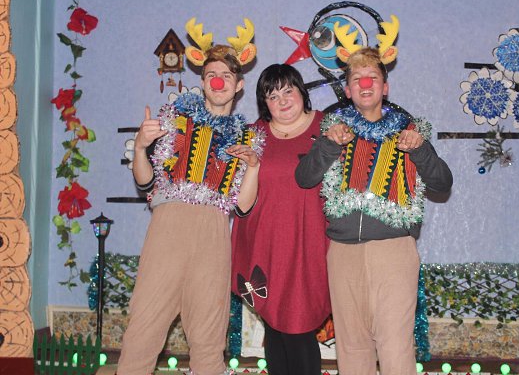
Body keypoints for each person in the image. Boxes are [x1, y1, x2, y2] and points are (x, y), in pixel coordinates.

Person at [295, 45, 453, 375]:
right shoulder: (335, 132)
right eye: (357, 79)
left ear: (385, 87)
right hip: (343, 253)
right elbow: (304, 177)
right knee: (352, 347)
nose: (365, 84)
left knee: (395, 346)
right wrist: (328, 145)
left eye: (372, 77)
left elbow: (442, 183)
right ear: (348, 90)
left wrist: (420, 150)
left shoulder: (409, 133)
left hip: (394, 252)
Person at [116, 44, 262, 375]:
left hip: (213, 236)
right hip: (168, 229)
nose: (218, 81)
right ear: (203, 81)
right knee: (143, 331)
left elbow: (242, 206)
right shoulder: (175, 120)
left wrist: (253, 166)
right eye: (211, 75)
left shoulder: (247, 137)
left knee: (210, 338)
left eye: (226, 76)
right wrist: (140, 147)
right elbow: (146, 182)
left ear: (239, 85)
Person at [231, 64, 331, 375]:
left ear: (302, 92)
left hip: (309, 244)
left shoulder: (328, 128)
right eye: (272, 96)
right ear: (264, 103)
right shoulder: (254, 135)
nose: (282, 100)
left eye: (288, 91)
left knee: (298, 325)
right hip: (265, 244)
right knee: (274, 325)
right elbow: (241, 202)